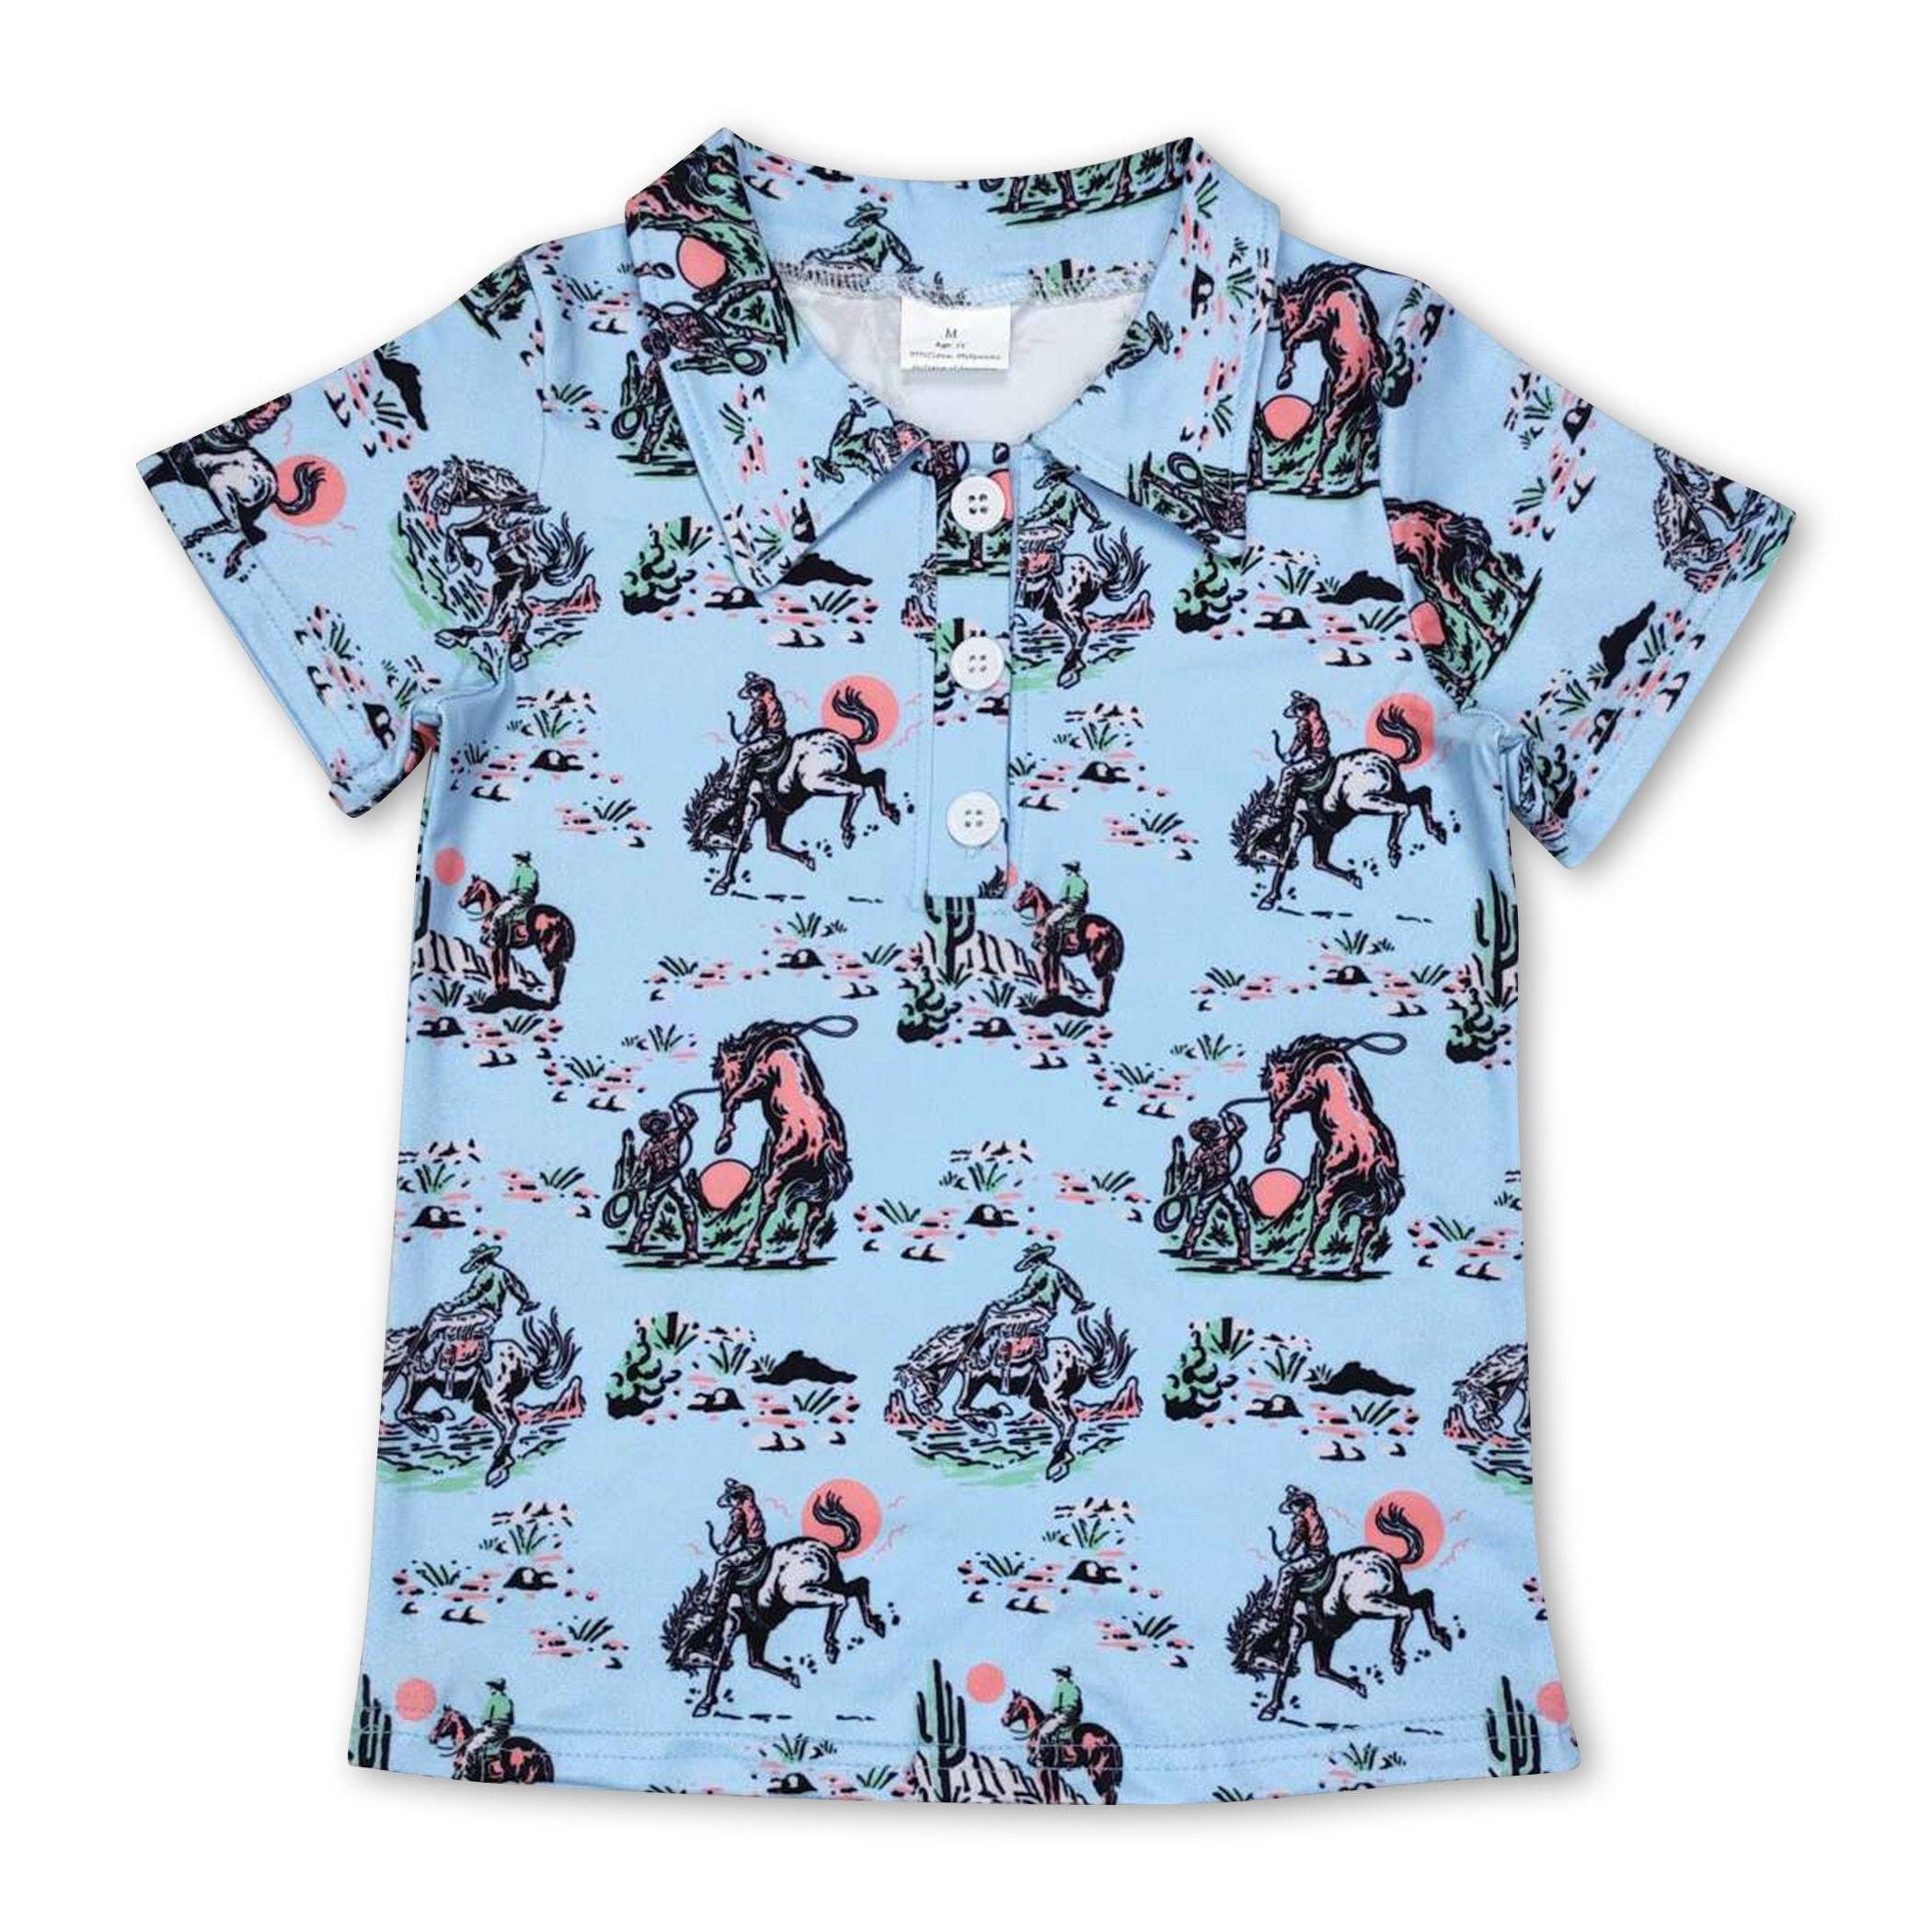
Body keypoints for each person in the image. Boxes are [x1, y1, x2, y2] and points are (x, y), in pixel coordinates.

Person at [969, 1240, 1093, 1379]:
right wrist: (1079, 1301)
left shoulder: (1040, 1272)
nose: (1030, 1267)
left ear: (1036, 1261)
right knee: (1001, 1320)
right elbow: (1071, 1287)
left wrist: (1006, 1302)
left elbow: (1026, 1292)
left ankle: (982, 1358)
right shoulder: (1057, 1271)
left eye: (1031, 1264)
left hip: (1038, 1311)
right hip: (1046, 1312)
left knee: (994, 1319)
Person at [618, 1099, 700, 1259]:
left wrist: (681, 1107)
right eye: (653, 1124)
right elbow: (641, 1168)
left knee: (688, 1209)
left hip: (674, 1178)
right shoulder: (648, 1146)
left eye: (658, 1123)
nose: (656, 1126)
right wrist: (633, 1184)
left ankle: (691, 1249)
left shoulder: (674, 1135)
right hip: (657, 1181)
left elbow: (692, 1119)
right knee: (647, 1211)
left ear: (663, 1124)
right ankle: (635, 1243)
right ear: (649, 1128)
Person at [1172, 1108, 1254, 1267]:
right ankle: (1187, 1247)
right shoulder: (1198, 1154)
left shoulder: (1224, 1143)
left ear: (1213, 1131)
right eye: (1202, 1132)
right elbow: (1192, 1175)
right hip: (1208, 1188)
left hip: (1225, 1184)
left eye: (1207, 1130)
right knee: (1200, 1217)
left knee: (1241, 1216)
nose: (1205, 1134)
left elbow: (1241, 1128)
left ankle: (1244, 1255)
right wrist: (1185, 1190)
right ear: (1198, 1135)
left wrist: (1230, 1116)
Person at [700, 1478, 768, 1628]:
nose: (730, 1501)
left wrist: (724, 1546)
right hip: (761, 1545)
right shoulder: (750, 1505)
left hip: (752, 1548)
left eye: (731, 1497)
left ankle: (711, 1604)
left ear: (735, 1497)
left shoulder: (739, 1511)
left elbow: (735, 1530)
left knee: (723, 1564)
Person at [727, 673, 789, 819]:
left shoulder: (760, 702)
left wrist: (745, 735)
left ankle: (733, 788)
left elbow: (756, 720)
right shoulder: (771, 698)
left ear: (757, 689)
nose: (752, 694)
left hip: (772, 737)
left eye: (753, 690)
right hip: (781, 735)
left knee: (744, 752)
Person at [1272, 1486, 1334, 1623]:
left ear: (1298, 1504)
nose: (1292, 1509)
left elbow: (1298, 1536)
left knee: (1286, 1571)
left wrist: (1288, 1552)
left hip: (1315, 1556)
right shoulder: (1313, 1514)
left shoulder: (1301, 1518)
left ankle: (1277, 1610)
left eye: (1293, 1505)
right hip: (1324, 1553)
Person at [486, 851, 538, 951]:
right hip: (530, 900)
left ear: (521, 860)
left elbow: (512, 887)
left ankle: (494, 939)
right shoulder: (533, 871)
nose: (516, 861)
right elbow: (536, 889)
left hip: (519, 898)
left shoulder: (519, 870)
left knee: (498, 914)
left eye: (517, 859)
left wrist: (508, 895)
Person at [1038, 859, 1090, 957]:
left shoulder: (1069, 881)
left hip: (1069, 907)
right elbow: (1086, 900)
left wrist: (1063, 904)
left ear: (1071, 870)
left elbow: (1062, 896)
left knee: (1050, 920)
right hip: (1080, 909)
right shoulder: (1083, 881)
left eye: (1067, 869)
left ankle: (1044, 943)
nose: (1066, 871)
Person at [1035, 1665, 1084, 1764]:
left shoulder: (1061, 1687)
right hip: (1074, 1717)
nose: (1056, 1676)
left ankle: (1041, 1757)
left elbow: (1055, 1705)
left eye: (1058, 1674)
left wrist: (1056, 1713)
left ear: (1062, 1675)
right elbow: (1080, 1706)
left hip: (1064, 1716)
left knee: (1044, 1732)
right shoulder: (1075, 1687)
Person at [474, 1678, 514, 1776]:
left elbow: (486, 1718)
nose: (490, 1690)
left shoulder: (493, 1700)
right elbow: (511, 1720)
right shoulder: (509, 1700)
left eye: (491, 1687)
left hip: (494, 1729)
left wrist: (484, 1724)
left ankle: (478, 1771)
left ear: (495, 1688)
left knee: (475, 1744)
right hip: (505, 1731)